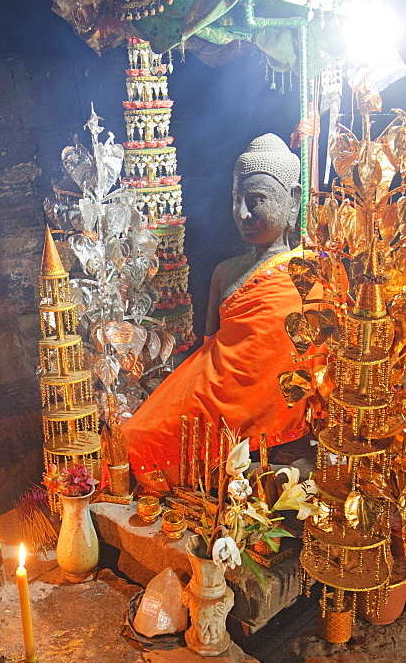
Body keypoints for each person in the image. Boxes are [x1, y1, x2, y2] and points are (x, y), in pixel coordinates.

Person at [123, 133, 320, 477]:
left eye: (256, 199)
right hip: (214, 402)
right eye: (236, 200)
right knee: (135, 440)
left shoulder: (312, 273)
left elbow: (320, 361)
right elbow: (211, 354)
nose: (242, 213)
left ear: (293, 199)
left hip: (276, 420)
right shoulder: (224, 272)